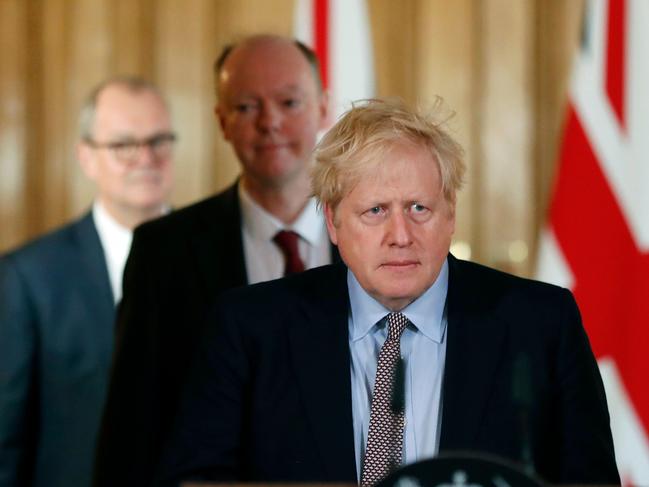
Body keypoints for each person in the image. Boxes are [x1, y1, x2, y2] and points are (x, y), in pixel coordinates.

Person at [156, 98, 619, 486]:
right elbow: (197, 480)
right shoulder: (251, 327)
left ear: (450, 213)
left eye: (420, 207)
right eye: (375, 210)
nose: (401, 235)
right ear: (334, 221)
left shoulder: (539, 323)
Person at [93, 35, 334, 487]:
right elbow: (131, 429)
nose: (270, 123)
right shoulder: (162, 253)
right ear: (221, 121)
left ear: (323, 109)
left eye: (289, 101)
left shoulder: (378, 240)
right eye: (246, 107)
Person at [0, 76, 175, 487]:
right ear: (86, 157)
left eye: (159, 141)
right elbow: (7, 438)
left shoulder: (215, 256)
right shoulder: (30, 276)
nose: (145, 158)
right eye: (122, 145)